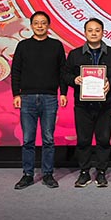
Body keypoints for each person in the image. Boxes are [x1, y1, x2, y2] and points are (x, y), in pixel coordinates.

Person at [64, 18, 111, 188]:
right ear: (85, 33)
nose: (93, 33)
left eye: (97, 30)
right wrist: (74, 79)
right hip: (82, 106)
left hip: (105, 105)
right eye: (90, 30)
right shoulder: (75, 54)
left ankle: (101, 172)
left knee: (103, 140)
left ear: (103, 32)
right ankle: (84, 172)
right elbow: (65, 74)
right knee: (83, 140)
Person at [11, 11, 68, 190]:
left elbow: (62, 71)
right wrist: (16, 94)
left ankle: (48, 174)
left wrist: (63, 92)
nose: (40, 26)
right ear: (31, 25)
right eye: (36, 23)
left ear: (48, 25)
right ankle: (27, 174)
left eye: (43, 23)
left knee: (48, 138)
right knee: (28, 139)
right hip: (27, 98)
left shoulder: (56, 45)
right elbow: (16, 71)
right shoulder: (23, 45)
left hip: (50, 98)